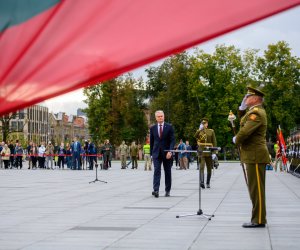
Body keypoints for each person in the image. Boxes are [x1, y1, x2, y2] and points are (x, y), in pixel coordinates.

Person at [233, 86, 269, 228]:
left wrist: (237, 139)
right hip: (253, 155)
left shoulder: (257, 113)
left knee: (257, 189)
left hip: (255, 155)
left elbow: (245, 130)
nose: (246, 98)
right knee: (254, 189)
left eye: (248, 97)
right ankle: (258, 218)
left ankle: (259, 219)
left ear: (255, 99)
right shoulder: (252, 112)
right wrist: (241, 108)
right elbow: (243, 120)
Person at [150, 110, 175, 198]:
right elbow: (152, 142)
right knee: (157, 171)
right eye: (159, 116)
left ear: (164, 116)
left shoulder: (169, 127)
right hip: (156, 153)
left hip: (167, 153)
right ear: (156, 118)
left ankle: (167, 190)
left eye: (162, 116)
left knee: (167, 172)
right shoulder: (152, 128)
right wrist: (151, 154)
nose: (160, 117)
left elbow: (172, 140)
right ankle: (156, 190)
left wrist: (170, 151)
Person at [195, 118, 217, 189]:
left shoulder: (211, 131)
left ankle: (208, 182)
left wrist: (214, 152)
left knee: (209, 168)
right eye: (202, 123)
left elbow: (214, 142)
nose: (204, 124)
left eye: (205, 123)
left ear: (207, 124)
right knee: (201, 167)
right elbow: (195, 137)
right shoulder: (199, 131)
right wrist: (199, 130)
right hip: (201, 152)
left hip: (209, 152)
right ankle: (201, 182)